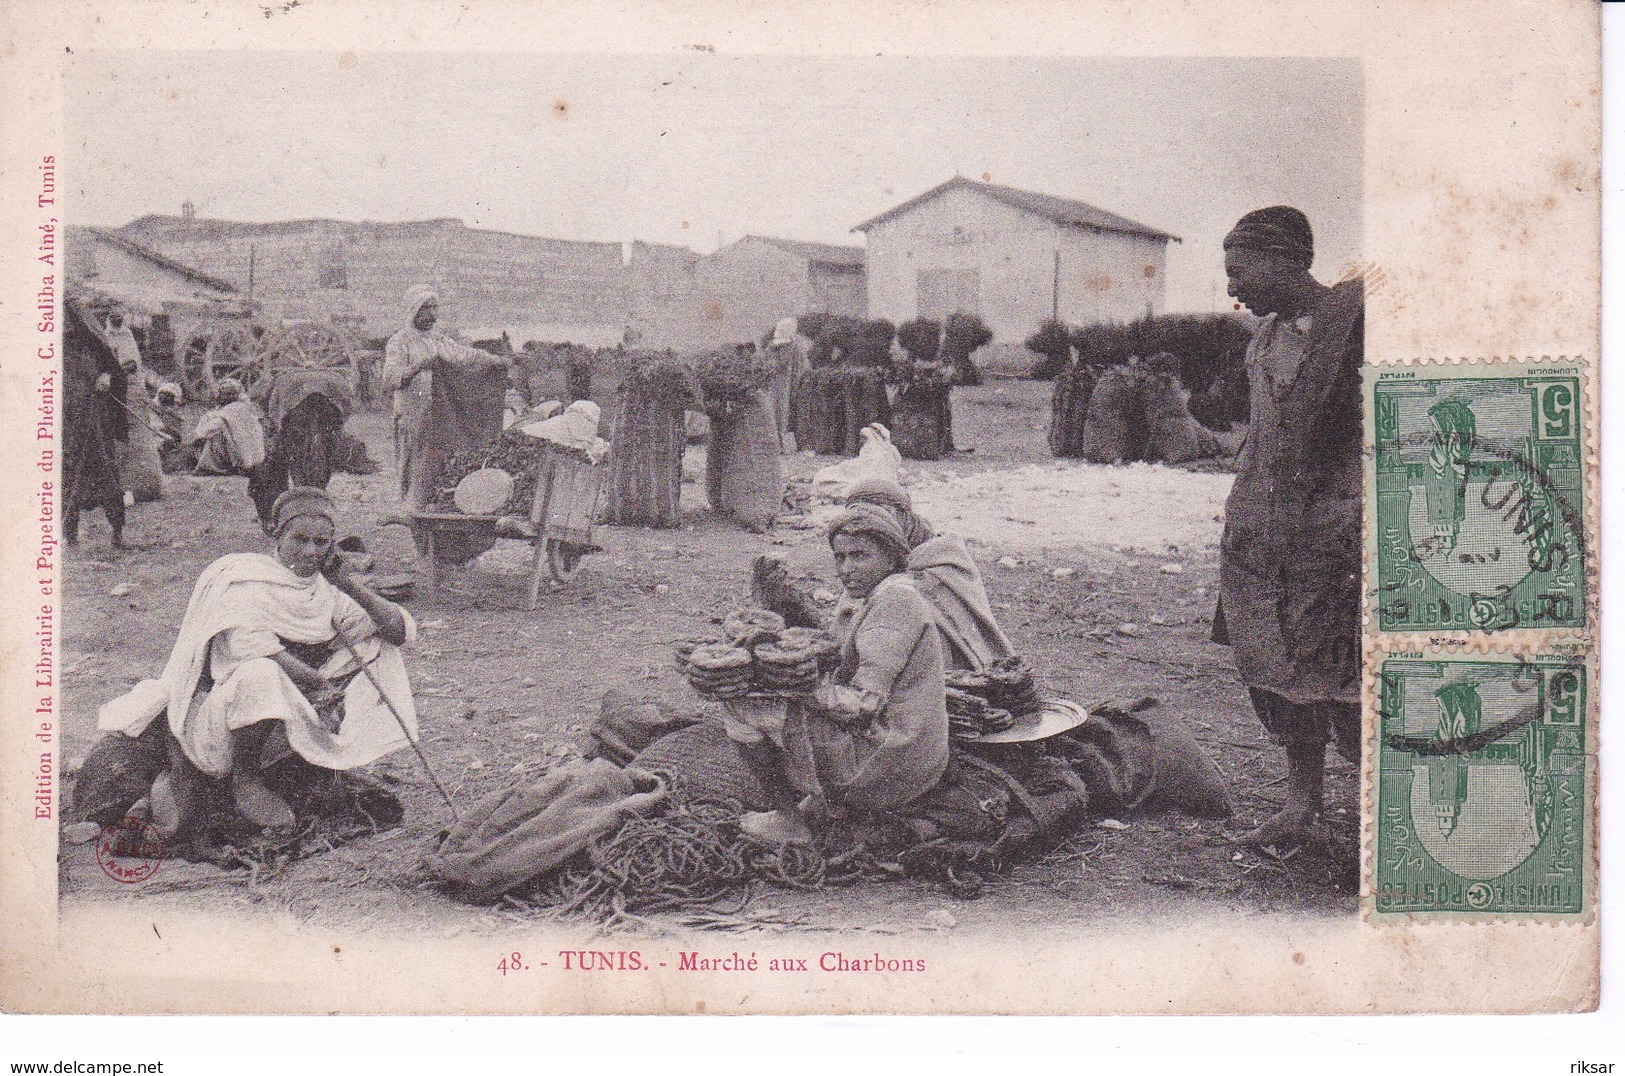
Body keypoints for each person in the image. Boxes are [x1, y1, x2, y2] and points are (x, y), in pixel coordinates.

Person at [98, 487, 420, 834]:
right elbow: (253, 648)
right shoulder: (244, 579)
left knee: (382, 650)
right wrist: (320, 686)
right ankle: (245, 779)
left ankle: (315, 762)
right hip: (221, 722)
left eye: (321, 542)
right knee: (261, 672)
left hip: (290, 718)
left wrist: (348, 584)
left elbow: (399, 630)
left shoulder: (324, 589)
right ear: (276, 533)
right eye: (300, 540)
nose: (310, 551)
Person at [1213, 206, 1364, 848]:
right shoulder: (1264, 336)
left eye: (1238, 271)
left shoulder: (1355, 327)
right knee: (1276, 667)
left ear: (1282, 259)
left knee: (1343, 669)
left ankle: (1379, 808)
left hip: (1335, 532)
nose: (1232, 289)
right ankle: (1304, 806)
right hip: (1264, 531)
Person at [730, 504, 949, 845]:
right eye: (840, 557)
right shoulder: (873, 594)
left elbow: (864, 704)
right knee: (764, 697)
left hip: (892, 759)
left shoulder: (896, 603)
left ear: (891, 557)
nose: (846, 568)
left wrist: (797, 685)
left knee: (739, 706)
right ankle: (819, 799)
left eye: (859, 556)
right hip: (899, 747)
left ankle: (790, 821)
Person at [382, 288, 512, 510]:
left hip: (440, 413)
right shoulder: (400, 342)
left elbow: (465, 356)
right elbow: (390, 379)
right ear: (414, 311)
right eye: (426, 309)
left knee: (440, 458)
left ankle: (436, 503)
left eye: (434, 308)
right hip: (413, 415)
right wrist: (418, 367)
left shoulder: (439, 340)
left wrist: (495, 361)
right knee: (415, 462)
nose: (432, 315)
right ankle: (414, 508)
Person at [63, 298, 129, 548]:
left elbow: (110, 361)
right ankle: (70, 534)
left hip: (93, 415)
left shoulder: (87, 337)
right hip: (65, 418)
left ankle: (117, 532)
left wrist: (107, 375)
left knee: (105, 469)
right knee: (66, 474)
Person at [190, 378, 267, 476]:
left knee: (214, 436)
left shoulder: (225, 413)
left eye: (227, 394)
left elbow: (202, 433)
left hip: (241, 459)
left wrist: (195, 440)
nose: (224, 397)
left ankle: (208, 467)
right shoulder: (247, 408)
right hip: (257, 459)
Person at [764, 316, 803, 452]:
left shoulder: (773, 348)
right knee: (780, 414)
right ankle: (779, 444)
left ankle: (778, 444)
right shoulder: (792, 348)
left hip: (777, 385)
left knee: (778, 414)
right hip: (782, 387)